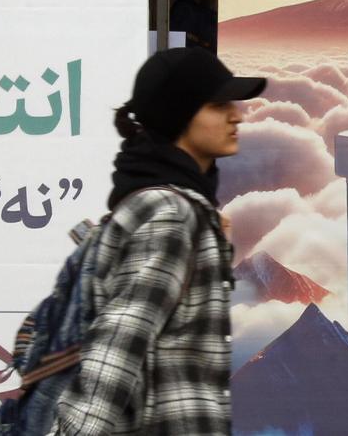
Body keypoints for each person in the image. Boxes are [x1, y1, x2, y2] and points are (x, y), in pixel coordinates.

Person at [50, 47, 266, 435]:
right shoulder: (172, 217)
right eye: (217, 106)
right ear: (178, 117)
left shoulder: (160, 204)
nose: (236, 115)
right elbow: (116, 347)